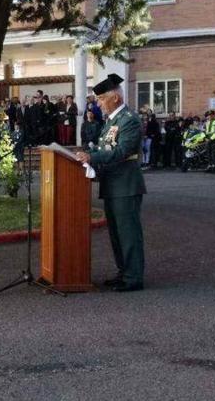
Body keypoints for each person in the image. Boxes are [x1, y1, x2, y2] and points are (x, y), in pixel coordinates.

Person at [75, 73, 146, 292]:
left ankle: (133, 277)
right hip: (112, 185)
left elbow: (123, 150)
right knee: (117, 234)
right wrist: (87, 153)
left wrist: (93, 158)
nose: (98, 104)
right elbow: (102, 147)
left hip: (125, 185)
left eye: (101, 99)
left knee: (128, 234)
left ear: (114, 98)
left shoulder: (129, 120)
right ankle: (123, 272)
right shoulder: (111, 122)